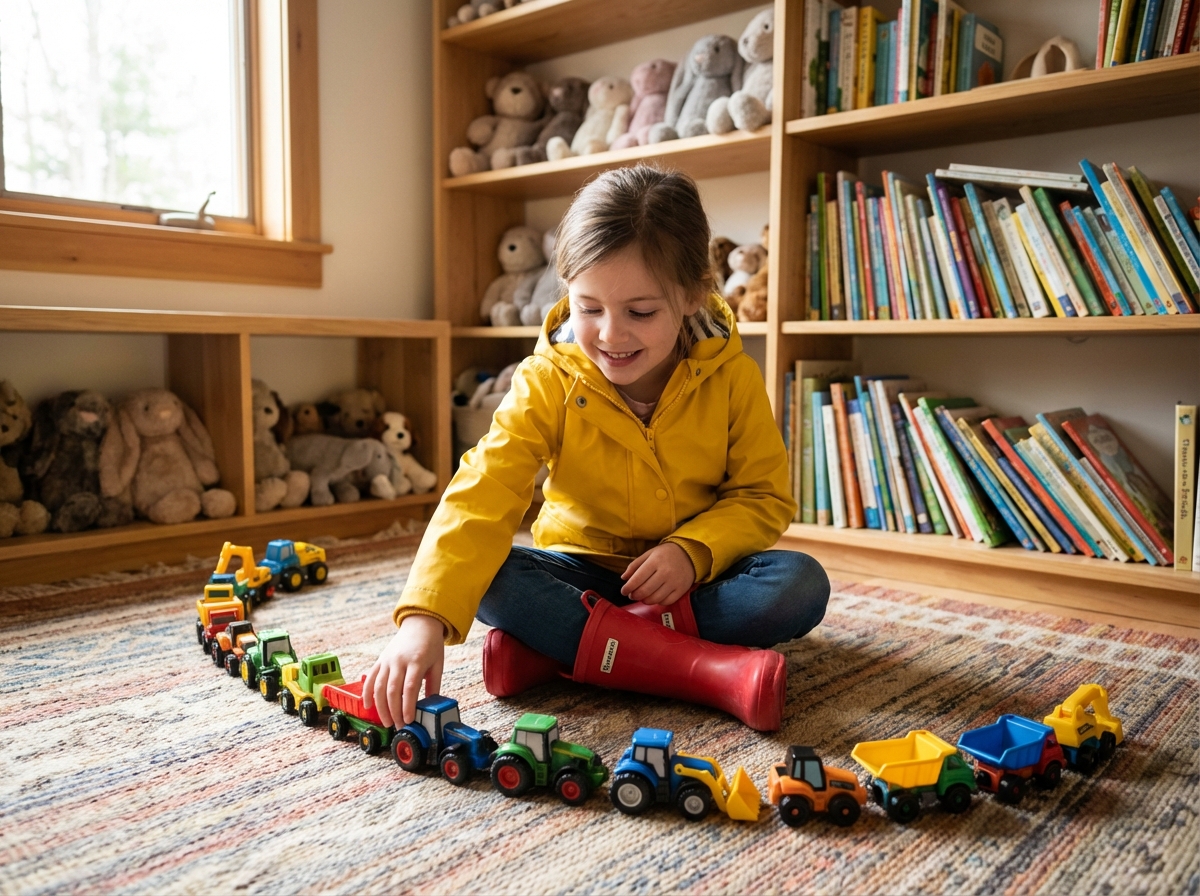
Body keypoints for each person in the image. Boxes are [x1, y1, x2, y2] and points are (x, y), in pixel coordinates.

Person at [364, 165, 829, 732]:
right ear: (568, 293)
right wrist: (424, 620)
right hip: (577, 572)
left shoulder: (733, 377)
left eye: (640, 312)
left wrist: (692, 551)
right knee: (490, 576)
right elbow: (484, 487)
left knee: (799, 585)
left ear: (692, 295)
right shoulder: (547, 378)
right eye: (589, 309)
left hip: (689, 584)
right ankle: (702, 668)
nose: (610, 335)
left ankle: (562, 652)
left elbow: (762, 496)